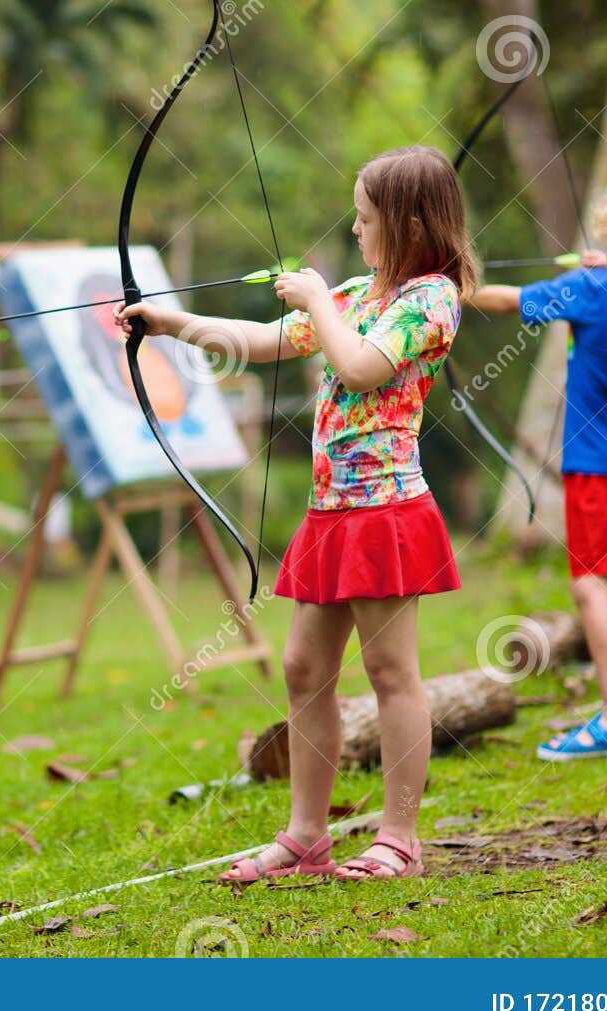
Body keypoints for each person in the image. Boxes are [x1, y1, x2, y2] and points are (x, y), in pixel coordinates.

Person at [117, 145, 473, 881]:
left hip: (386, 511)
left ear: (407, 222)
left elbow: (361, 366)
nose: (354, 227)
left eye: (365, 216)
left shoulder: (430, 300)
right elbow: (264, 343)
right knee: (304, 665)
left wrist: (316, 301)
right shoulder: (357, 293)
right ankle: (307, 835)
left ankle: (398, 838)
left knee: (389, 670)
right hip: (331, 513)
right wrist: (168, 322)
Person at [469, 173, 607, 761]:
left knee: (587, 581)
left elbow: (506, 301)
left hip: (597, 465)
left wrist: (451, 287)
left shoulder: (590, 290)